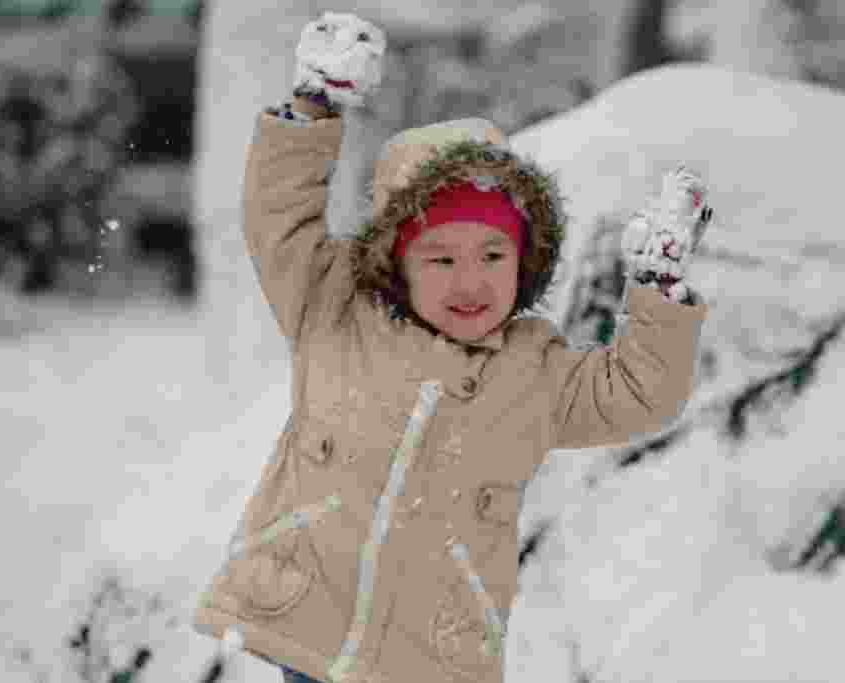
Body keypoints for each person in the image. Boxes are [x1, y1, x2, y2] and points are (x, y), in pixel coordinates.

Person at [192, 12, 711, 683]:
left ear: (524, 259)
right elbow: (279, 220)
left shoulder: (534, 370)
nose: (471, 282)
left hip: (434, 653)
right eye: (441, 259)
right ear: (395, 259)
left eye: (493, 255)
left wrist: (658, 294)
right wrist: (313, 108)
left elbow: (639, 394)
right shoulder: (336, 308)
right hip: (312, 624)